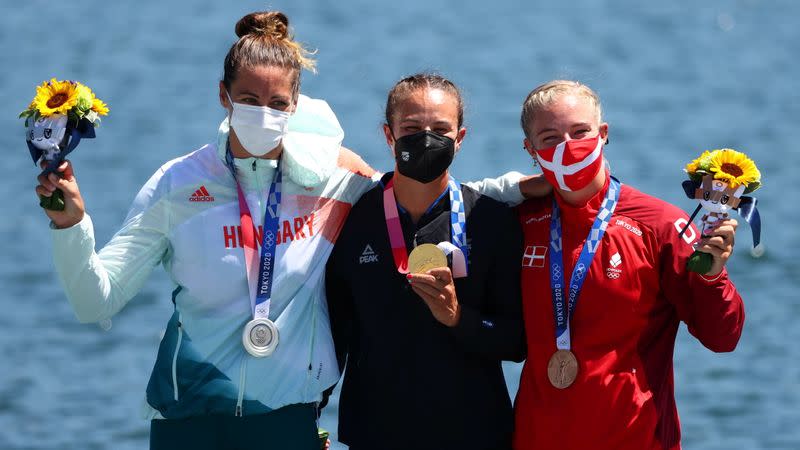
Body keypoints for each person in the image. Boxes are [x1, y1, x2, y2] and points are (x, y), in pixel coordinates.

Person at [35, 11, 539, 449]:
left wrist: (514, 188)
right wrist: (72, 226)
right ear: (223, 96)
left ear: (295, 107)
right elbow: (94, 302)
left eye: (277, 103)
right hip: (186, 415)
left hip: (286, 422)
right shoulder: (177, 184)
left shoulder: (332, 181)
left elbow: (421, 187)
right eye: (248, 98)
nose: (263, 112)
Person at [512, 80, 745, 450]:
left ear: (603, 134)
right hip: (536, 438)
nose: (568, 147)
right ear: (531, 150)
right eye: (550, 138)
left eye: (580, 132)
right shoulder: (519, 222)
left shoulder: (661, 226)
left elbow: (722, 337)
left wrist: (713, 275)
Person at [325, 73, 526, 450]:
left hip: (473, 434)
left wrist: (457, 317)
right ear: (389, 135)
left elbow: (516, 342)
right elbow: (331, 333)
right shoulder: (352, 219)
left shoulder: (491, 220)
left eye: (440, 128)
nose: (426, 138)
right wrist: (312, 411)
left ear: (460, 139)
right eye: (412, 127)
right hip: (375, 433)